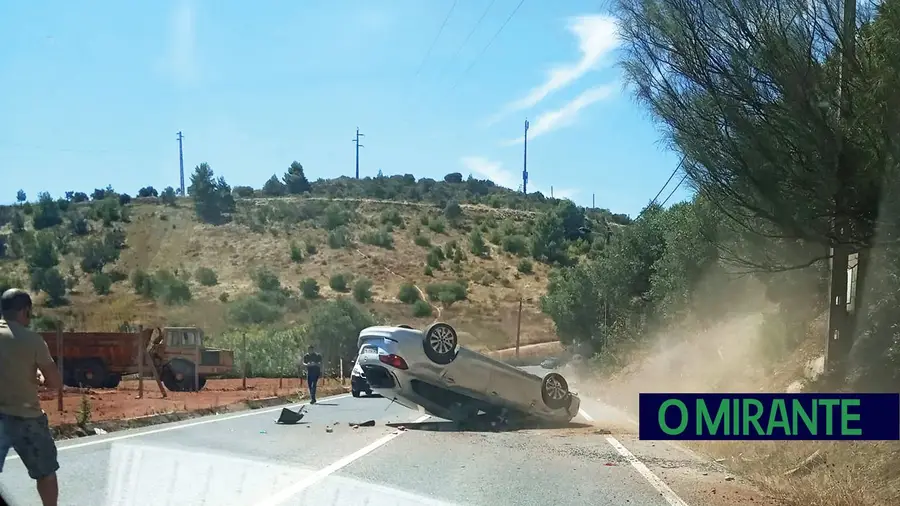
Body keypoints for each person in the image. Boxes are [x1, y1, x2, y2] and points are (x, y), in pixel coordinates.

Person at [0, 289, 63, 506]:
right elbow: (55, 383)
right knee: (45, 472)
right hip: (26, 417)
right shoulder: (32, 340)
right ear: (25, 311)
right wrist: (38, 378)